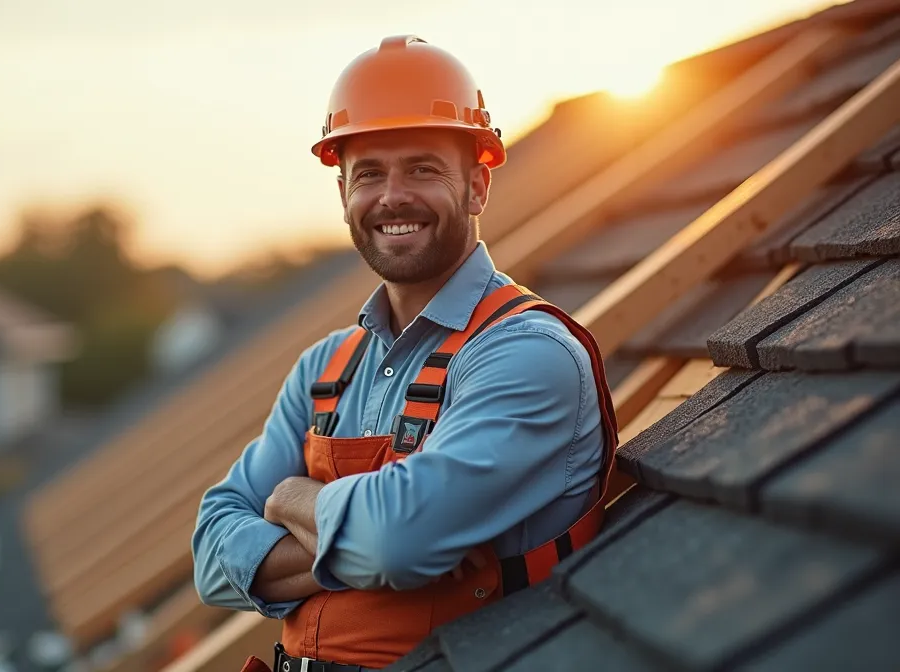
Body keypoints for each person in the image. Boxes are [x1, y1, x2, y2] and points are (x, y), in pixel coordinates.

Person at [190, 35, 619, 671]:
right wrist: (367, 540)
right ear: (343, 196)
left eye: (422, 168)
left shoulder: (526, 354)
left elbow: (394, 543)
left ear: (477, 187)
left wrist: (292, 501)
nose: (392, 197)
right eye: (368, 173)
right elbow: (211, 557)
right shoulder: (324, 369)